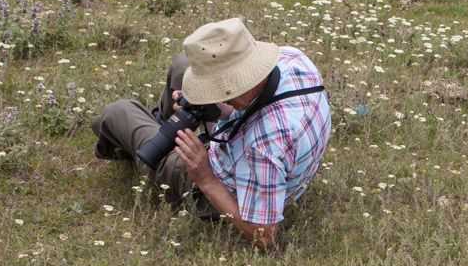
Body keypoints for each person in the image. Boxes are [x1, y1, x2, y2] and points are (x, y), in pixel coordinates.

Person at [92, 18, 331, 249]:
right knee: (182, 65)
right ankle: (160, 124)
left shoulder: (264, 147)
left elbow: (264, 236)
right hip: (254, 155)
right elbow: (256, 104)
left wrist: (204, 177)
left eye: (222, 91)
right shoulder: (293, 59)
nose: (219, 98)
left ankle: (128, 146)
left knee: (118, 112)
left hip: (226, 187)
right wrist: (216, 106)